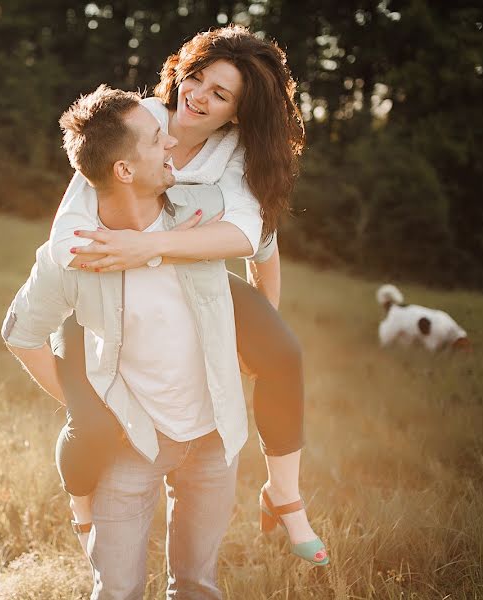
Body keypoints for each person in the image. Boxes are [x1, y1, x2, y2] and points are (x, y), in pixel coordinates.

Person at [48, 25, 328, 567]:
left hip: (188, 283)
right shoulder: (134, 120)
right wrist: (124, 253)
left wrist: (149, 249)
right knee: (93, 424)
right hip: (103, 282)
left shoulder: (237, 154)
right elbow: (68, 233)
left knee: (283, 353)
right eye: (197, 78)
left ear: (238, 114)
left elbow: (252, 238)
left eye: (220, 94)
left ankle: (284, 495)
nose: (198, 95)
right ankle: (83, 507)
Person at [4, 84, 248, 599]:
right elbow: (21, 335)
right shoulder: (74, 254)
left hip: (213, 439)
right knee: (117, 593)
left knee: (199, 587)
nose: (171, 146)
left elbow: (257, 228)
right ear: (123, 170)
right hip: (132, 443)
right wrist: (90, 410)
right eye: (157, 138)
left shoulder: (201, 219)